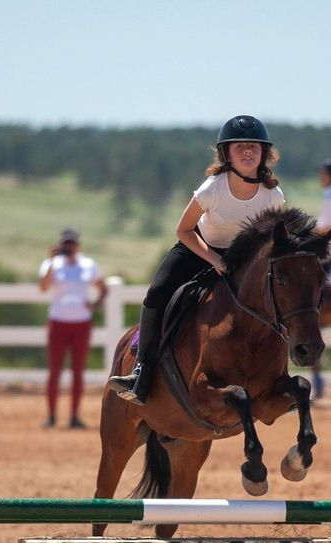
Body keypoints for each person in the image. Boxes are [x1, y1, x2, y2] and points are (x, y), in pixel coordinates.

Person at [108, 115, 285, 405]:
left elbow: (273, 239)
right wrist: (214, 259)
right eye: (239, 147)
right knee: (157, 293)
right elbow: (184, 230)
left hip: (242, 258)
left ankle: (276, 377)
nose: (247, 152)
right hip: (197, 249)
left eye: (253, 146)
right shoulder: (213, 188)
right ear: (226, 154)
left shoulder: (273, 195)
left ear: (264, 153)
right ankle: (142, 371)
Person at [39, 227, 107, 429]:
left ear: (78, 245)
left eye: (71, 243)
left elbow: (103, 288)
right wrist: (51, 261)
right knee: (55, 370)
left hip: (81, 323)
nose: (68, 247)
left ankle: (74, 415)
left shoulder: (88, 265)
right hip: (58, 321)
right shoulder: (52, 264)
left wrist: (93, 305)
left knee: (78, 371)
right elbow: (43, 287)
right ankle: (51, 415)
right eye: (65, 243)